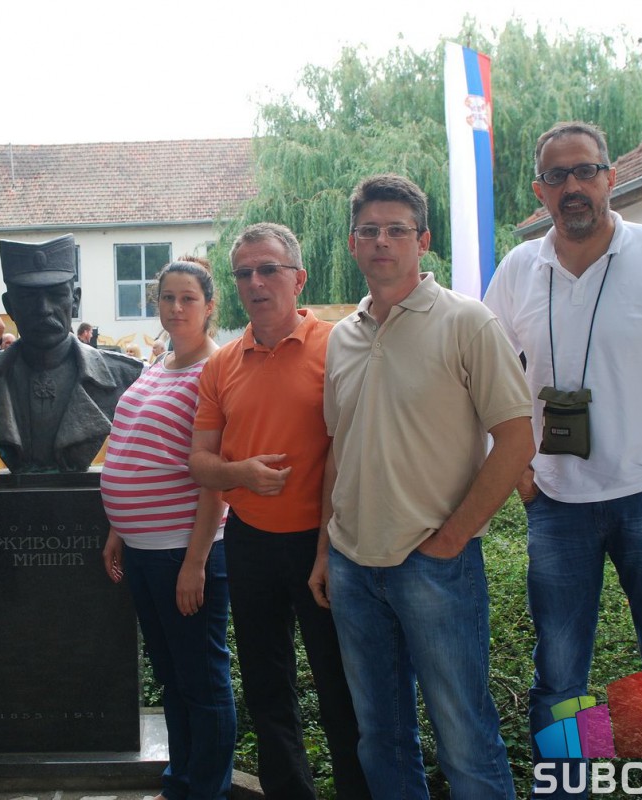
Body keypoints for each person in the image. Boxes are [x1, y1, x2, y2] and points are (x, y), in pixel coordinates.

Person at [483, 121, 642, 799]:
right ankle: (568, 789)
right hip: (557, 505)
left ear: (609, 177)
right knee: (560, 676)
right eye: (556, 176)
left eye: (585, 171)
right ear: (539, 190)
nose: (572, 186)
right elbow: (486, 375)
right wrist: (522, 473)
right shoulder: (518, 269)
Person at [310, 175, 534, 799]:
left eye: (396, 230)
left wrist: (452, 539)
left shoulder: (468, 322)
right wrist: (327, 550)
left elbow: (517, 441)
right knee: (379, 738)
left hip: (434, 564)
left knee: (464, 738)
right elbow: (339, 451)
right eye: (369, 231)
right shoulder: (343, 338)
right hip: (353, 566)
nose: (382, 241)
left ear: (423, 241)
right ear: (352, 243)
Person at [189, 223, 369, 800]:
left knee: (342, 688)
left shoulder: (339, 345)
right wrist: (240, 473)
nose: (256, 282)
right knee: (267, 688)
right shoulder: (222, 364)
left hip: (327, 544)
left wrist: (328, 549)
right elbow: (200, 462)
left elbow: (358, 448)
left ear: (299, 278)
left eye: (269, 269)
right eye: (244, 273)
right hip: (250, 541)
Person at [101, 258, 235, 800]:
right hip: (142, 550)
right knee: (173, 679)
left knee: (202, 682)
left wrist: (196, 562)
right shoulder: (159, 364)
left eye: (188, 298)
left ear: (209, 306)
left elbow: (215, 476)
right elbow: (136, 446)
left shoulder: (216, 371)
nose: (176, 308)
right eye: (167, 297)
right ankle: (180, 784)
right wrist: (118, 527)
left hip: (183, 551)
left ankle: (206, 790)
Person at [0, 235, 143, 473]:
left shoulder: (126, 377)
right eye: (28, 297)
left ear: (75, 301)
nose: (43, 309)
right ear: (10, 306)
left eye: (56, 295)